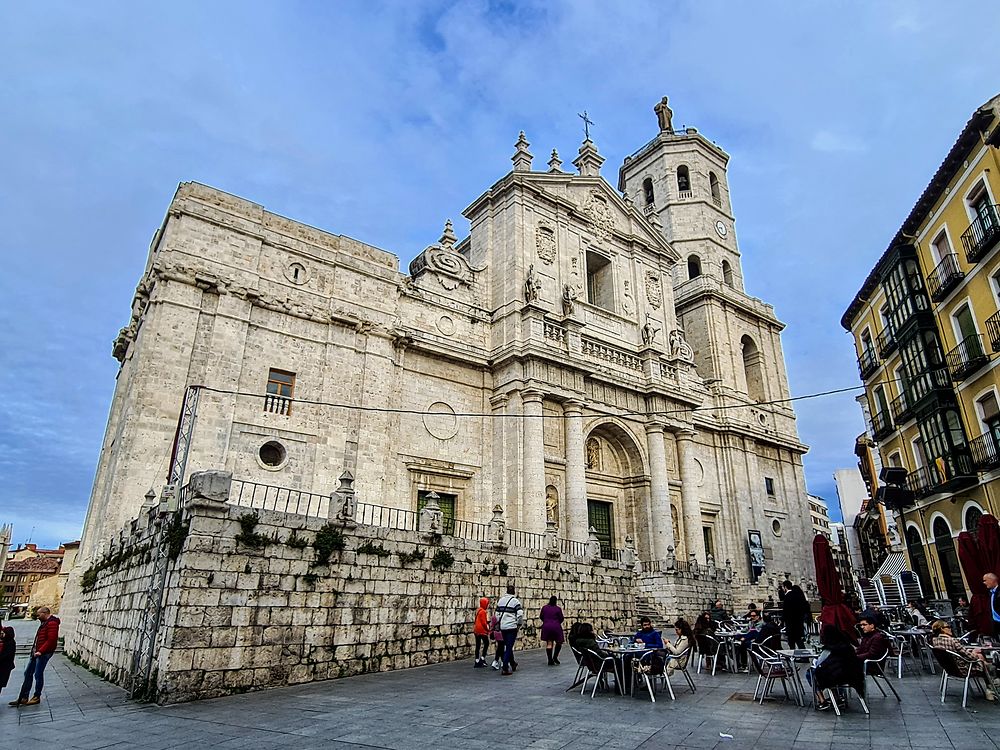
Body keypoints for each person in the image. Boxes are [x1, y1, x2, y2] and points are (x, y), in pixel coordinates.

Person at [930, 619, 1000, 701]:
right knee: (988, 666)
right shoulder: (953, 641)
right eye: (948, 627)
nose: (950, 629)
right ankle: (991, 689)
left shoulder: (935, 640)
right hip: (964, 668)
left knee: (982, 660)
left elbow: (960, 652)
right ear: (942, 629)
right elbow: (970, 656)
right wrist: (974, 653)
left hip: (950, 668)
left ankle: (991, 689)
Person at [10, 606, 59, 707]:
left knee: (38, 674)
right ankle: (23, 697)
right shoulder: (44, 623)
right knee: (28, 673)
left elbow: (51, 640)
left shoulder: (52, 623)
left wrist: (40, 651)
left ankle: (36, 696)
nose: (37, 617)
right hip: (36, 652)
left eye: (39, 614)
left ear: (45, 613)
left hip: (43, 653)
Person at [812, 624, 865, 712]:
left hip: (836, 677)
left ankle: (821, 700)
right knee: (829, 670)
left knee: (812, 672)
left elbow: (819, 664)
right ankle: (837, 698)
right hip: (852, 676)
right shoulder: (848, 646)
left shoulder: (829, 649)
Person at [495, 584, 525, 676]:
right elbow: (520, 614)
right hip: (512, 627)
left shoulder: (501, 601)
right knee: (509, 647)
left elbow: (497, 614)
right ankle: (505, 667)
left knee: (508, 645)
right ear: (514, 591)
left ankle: (512, 663)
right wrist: (518, 623)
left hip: (503, 627)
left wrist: (500, 623)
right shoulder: (515, 601)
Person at [780, 580, 809, 650]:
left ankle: (794, 656)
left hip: (791, 623)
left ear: (785, 587)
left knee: (792, 641)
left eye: (783, 587)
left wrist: (782, 621)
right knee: (797, 640)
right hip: (798, 621)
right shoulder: (796, 595)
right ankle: (803, 656)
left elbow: (786, 611)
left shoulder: (787, 596)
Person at [540, 596, 565, 666]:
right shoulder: (558, 609)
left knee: (549, 643)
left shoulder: (544, 608)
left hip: (547, 626)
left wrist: (546, 621)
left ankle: (550, 660)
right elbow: (561, 618)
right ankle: (555, 657)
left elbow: (541, 616)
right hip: (556, 627)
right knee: (559, 642)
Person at [473, 596, 490, 668]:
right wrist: (487, 629)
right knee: (486, 643)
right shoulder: (483, 611)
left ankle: (477, 660)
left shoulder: (478, 610)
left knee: (478, 645)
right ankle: (482, 658)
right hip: (482, 630)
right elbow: (484, 622)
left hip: (476, 630)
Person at [0, 627, 15, 698]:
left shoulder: (10, 643)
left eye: (3, 633)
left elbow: (6, 655)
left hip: (4, 667)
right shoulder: (4, 642)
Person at [985, 572, 1000, 639]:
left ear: (992, 580)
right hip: (996, 623)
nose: (984, 583)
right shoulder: (990, 593)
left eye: (985, 580)